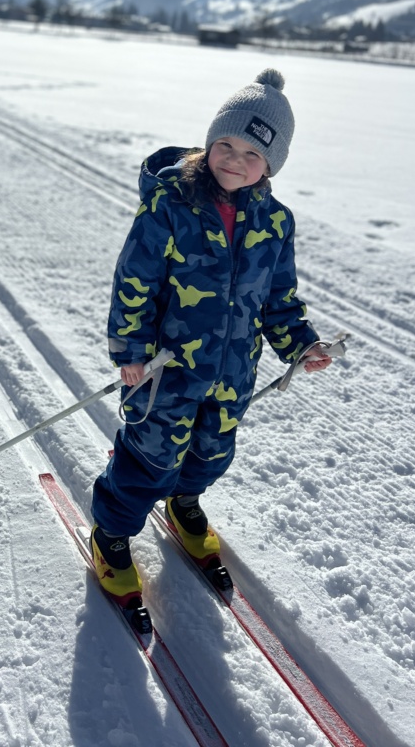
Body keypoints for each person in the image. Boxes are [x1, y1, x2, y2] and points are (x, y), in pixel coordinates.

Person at [90, 68, 332, 606]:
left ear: (272, 164)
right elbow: (135, 281)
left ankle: (186, 501)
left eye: (252, 154)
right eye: (225, 144)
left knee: (211, 451)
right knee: (149, 459)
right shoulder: (170, 206)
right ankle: (111, 533)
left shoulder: (275, 222)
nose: (234, 160)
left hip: (230, 374)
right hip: (166, 372)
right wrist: (130, 351)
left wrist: (300, 344)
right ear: (209, 142)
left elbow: (278, 297)